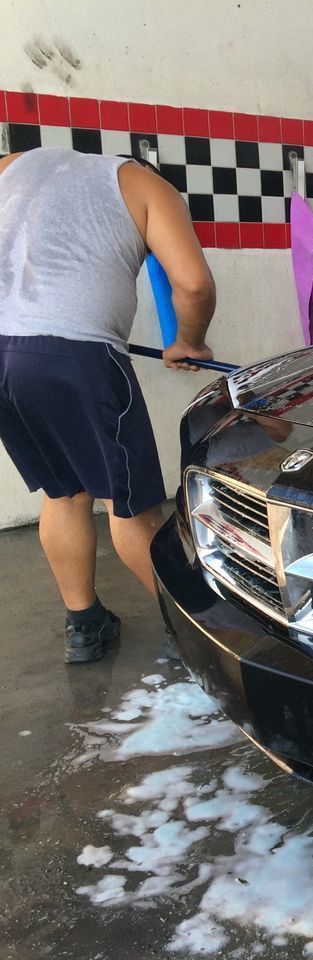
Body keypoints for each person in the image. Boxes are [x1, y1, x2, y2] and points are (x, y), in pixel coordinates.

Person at [0, 147, 216, 663]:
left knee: (64, 491)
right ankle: (196, 633)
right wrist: (189, 341)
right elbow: (192, 283)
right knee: (132, 506)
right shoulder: (149, 187)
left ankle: (85, 625)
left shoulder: (12, 164)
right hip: (75, 356)